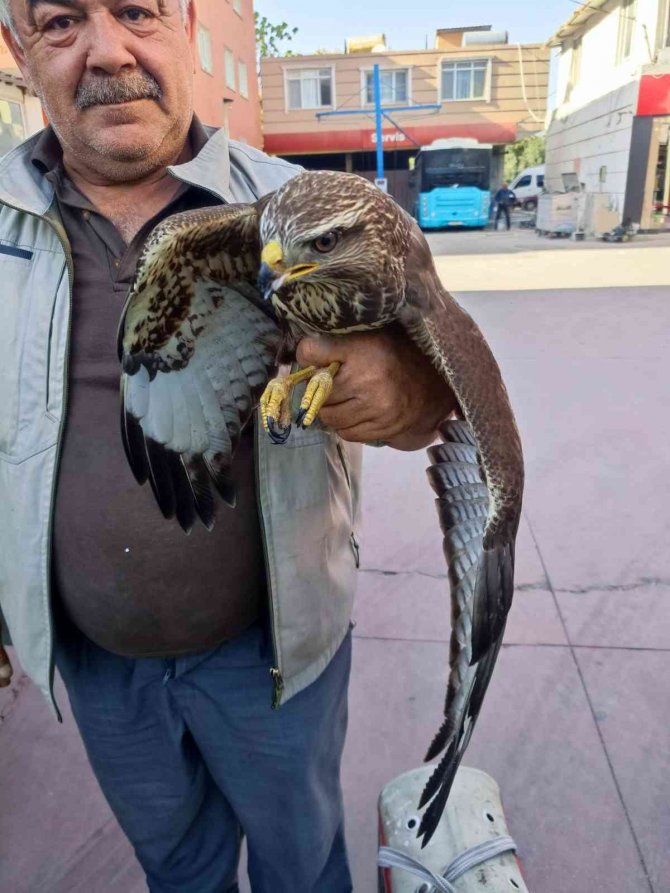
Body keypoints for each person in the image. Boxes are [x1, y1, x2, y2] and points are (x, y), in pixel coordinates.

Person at [0, 1, 456, 891]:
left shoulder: (308, 209)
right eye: (61, 21)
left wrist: (405, 391)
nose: (108, 50)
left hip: (272, 660)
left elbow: (439, 393)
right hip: (100, 665)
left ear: (185, 25)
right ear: (19, 48)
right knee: (178, 869)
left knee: (302, 862)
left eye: (135, 10)